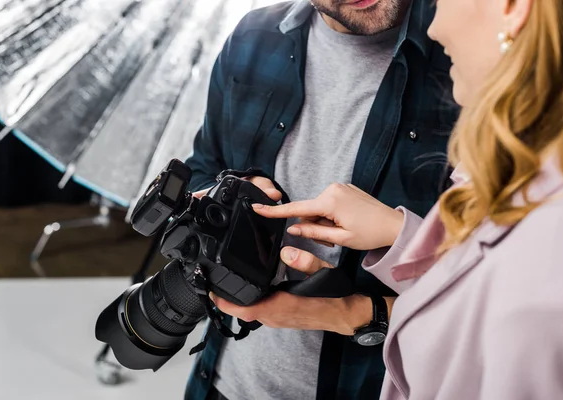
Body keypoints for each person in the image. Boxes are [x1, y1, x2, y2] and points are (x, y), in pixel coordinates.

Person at [245, 0, 563, 398]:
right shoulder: (252, 38)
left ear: (513, 6)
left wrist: (350, 313)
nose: (433, 27)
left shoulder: (552, 280)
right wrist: (396, 232)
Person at [183, 0, 459, 398]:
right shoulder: (253, 37)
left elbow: (492, 294)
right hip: (224, 380)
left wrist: (347, 313)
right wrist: (225, 202)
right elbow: (203, 168)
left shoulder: (467, 56)